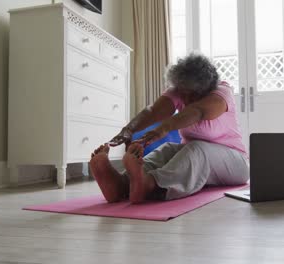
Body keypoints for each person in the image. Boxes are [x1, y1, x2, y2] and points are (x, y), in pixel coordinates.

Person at [89, 53, 249, 204]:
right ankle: (122, 184)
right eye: (182, 93)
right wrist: (129, 130)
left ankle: (152, 185)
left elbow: (197, 111)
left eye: (190, 94)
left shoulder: (222, 92)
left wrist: (164, 128)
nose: (185, 99)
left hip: (236, 164)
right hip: (195, 154)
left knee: (196, 149)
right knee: (167, 149)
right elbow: (153, 111)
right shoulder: (181, 90)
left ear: (204, 89)